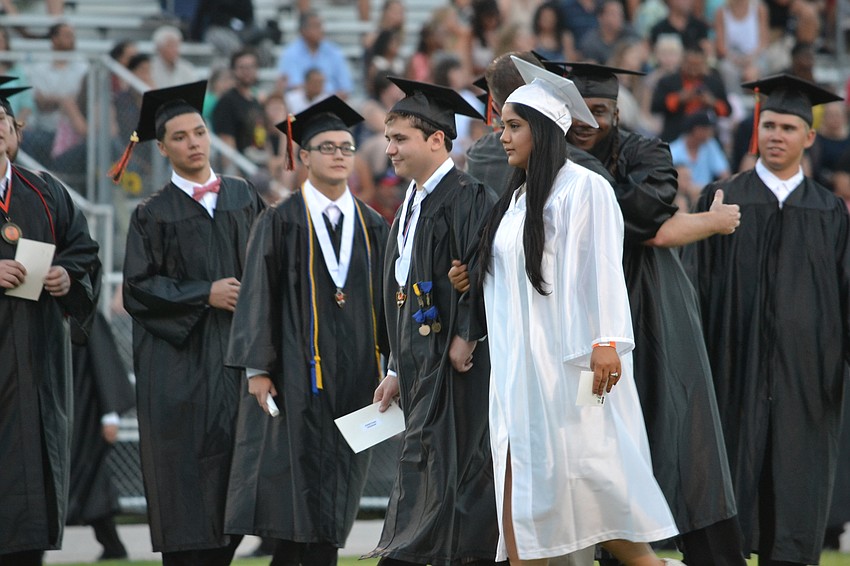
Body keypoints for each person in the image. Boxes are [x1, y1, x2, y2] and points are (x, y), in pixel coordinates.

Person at [475, 55, 680, 565]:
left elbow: (603, 270)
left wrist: (607, 342)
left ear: (544, 131)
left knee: (596, 494)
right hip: (519, 375)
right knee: (518, 490)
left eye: (515, 126)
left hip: (576, 371)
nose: (503, 136)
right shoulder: (517, 199)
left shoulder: (585, 188)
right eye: (503, 125)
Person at [685, 74, 850, 566]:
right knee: (725, 502)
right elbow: (695, 289)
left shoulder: (830, 212)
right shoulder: (721, 199)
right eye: (769, 124)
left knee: (796, 503)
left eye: (788, 127)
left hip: (806, 381)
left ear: (809, 137)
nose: (775, 135)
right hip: (731, 375)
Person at [224, 95, 390, 566]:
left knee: (337, 497)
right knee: (295, 497)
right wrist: (258, 368)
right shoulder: (280, 221)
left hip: (356, 379)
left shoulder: (373, 225)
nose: (339, 154)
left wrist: (394, 365)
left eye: (345, 146)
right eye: (326, 146)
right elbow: (257, 295)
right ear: (303, 156)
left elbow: (385, 304)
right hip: (297, 377)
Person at [121, 80, 266, 566]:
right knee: (185, 492)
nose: (194, 142)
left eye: (199, 132)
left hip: (236, 367)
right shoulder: (151, 214)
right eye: (180, 137)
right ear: (162, 149)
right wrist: (204, 294)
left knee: (235, 490)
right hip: (179, 373)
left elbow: (271, 268)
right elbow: (137, 288)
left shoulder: (245, 197)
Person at [367, 77, 500, 565]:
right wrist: (396, 369)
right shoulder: (409, 204)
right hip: (420, 371)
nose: (390, 149)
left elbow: (484, 273)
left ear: (437, 139)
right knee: (424, 476)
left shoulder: (468, 197)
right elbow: (399, 294)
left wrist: (468, 332)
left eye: (400, 138)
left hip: (456, 371)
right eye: (388, 139)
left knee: (458, 480)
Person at [0, 84, 101, 566]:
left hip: (37, 364)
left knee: (31, 486)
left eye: (1, 119)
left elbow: (84, 251)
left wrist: (67, 276)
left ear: (13, 130)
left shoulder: (45, 191)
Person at [67, 311, 135, 561]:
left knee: (89, 475)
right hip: (68, 410)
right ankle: (113, 545)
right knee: (92, 479)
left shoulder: (85, 313)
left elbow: (104, 360)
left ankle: (113, 545)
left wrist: (110, 413)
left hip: (87, 411)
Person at [275, 11, 353, 100]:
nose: (321, 30)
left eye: (321, 26)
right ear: (303, 30)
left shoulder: (334, 52)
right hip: (302, 103)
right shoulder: (290, 54)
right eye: (316, 26)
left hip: (331, 102)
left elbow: (345, 88)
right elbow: (292, 87)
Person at [212, 47, 266, 165]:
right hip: (242, 166)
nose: (247, 71)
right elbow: (226, 146)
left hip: (259, 160)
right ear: (233, 70)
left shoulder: (256, 100)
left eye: (251, 67)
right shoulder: (227, 101)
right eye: (242, 67)